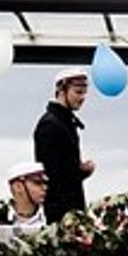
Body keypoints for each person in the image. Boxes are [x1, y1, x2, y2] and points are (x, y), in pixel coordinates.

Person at [32, 69, 94, 223]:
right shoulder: (51, 124)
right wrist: (81, 172)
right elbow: (54, 175)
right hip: (61, 213)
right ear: (62, 90)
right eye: (78, 92)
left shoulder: (62, 121)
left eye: (84, 93)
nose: (82, 98)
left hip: (68, 211)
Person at [0, 161, 49, 229]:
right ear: (18, 187)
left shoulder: (55, 217)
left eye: (45, 183)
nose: (45, 188)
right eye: (37, 183)